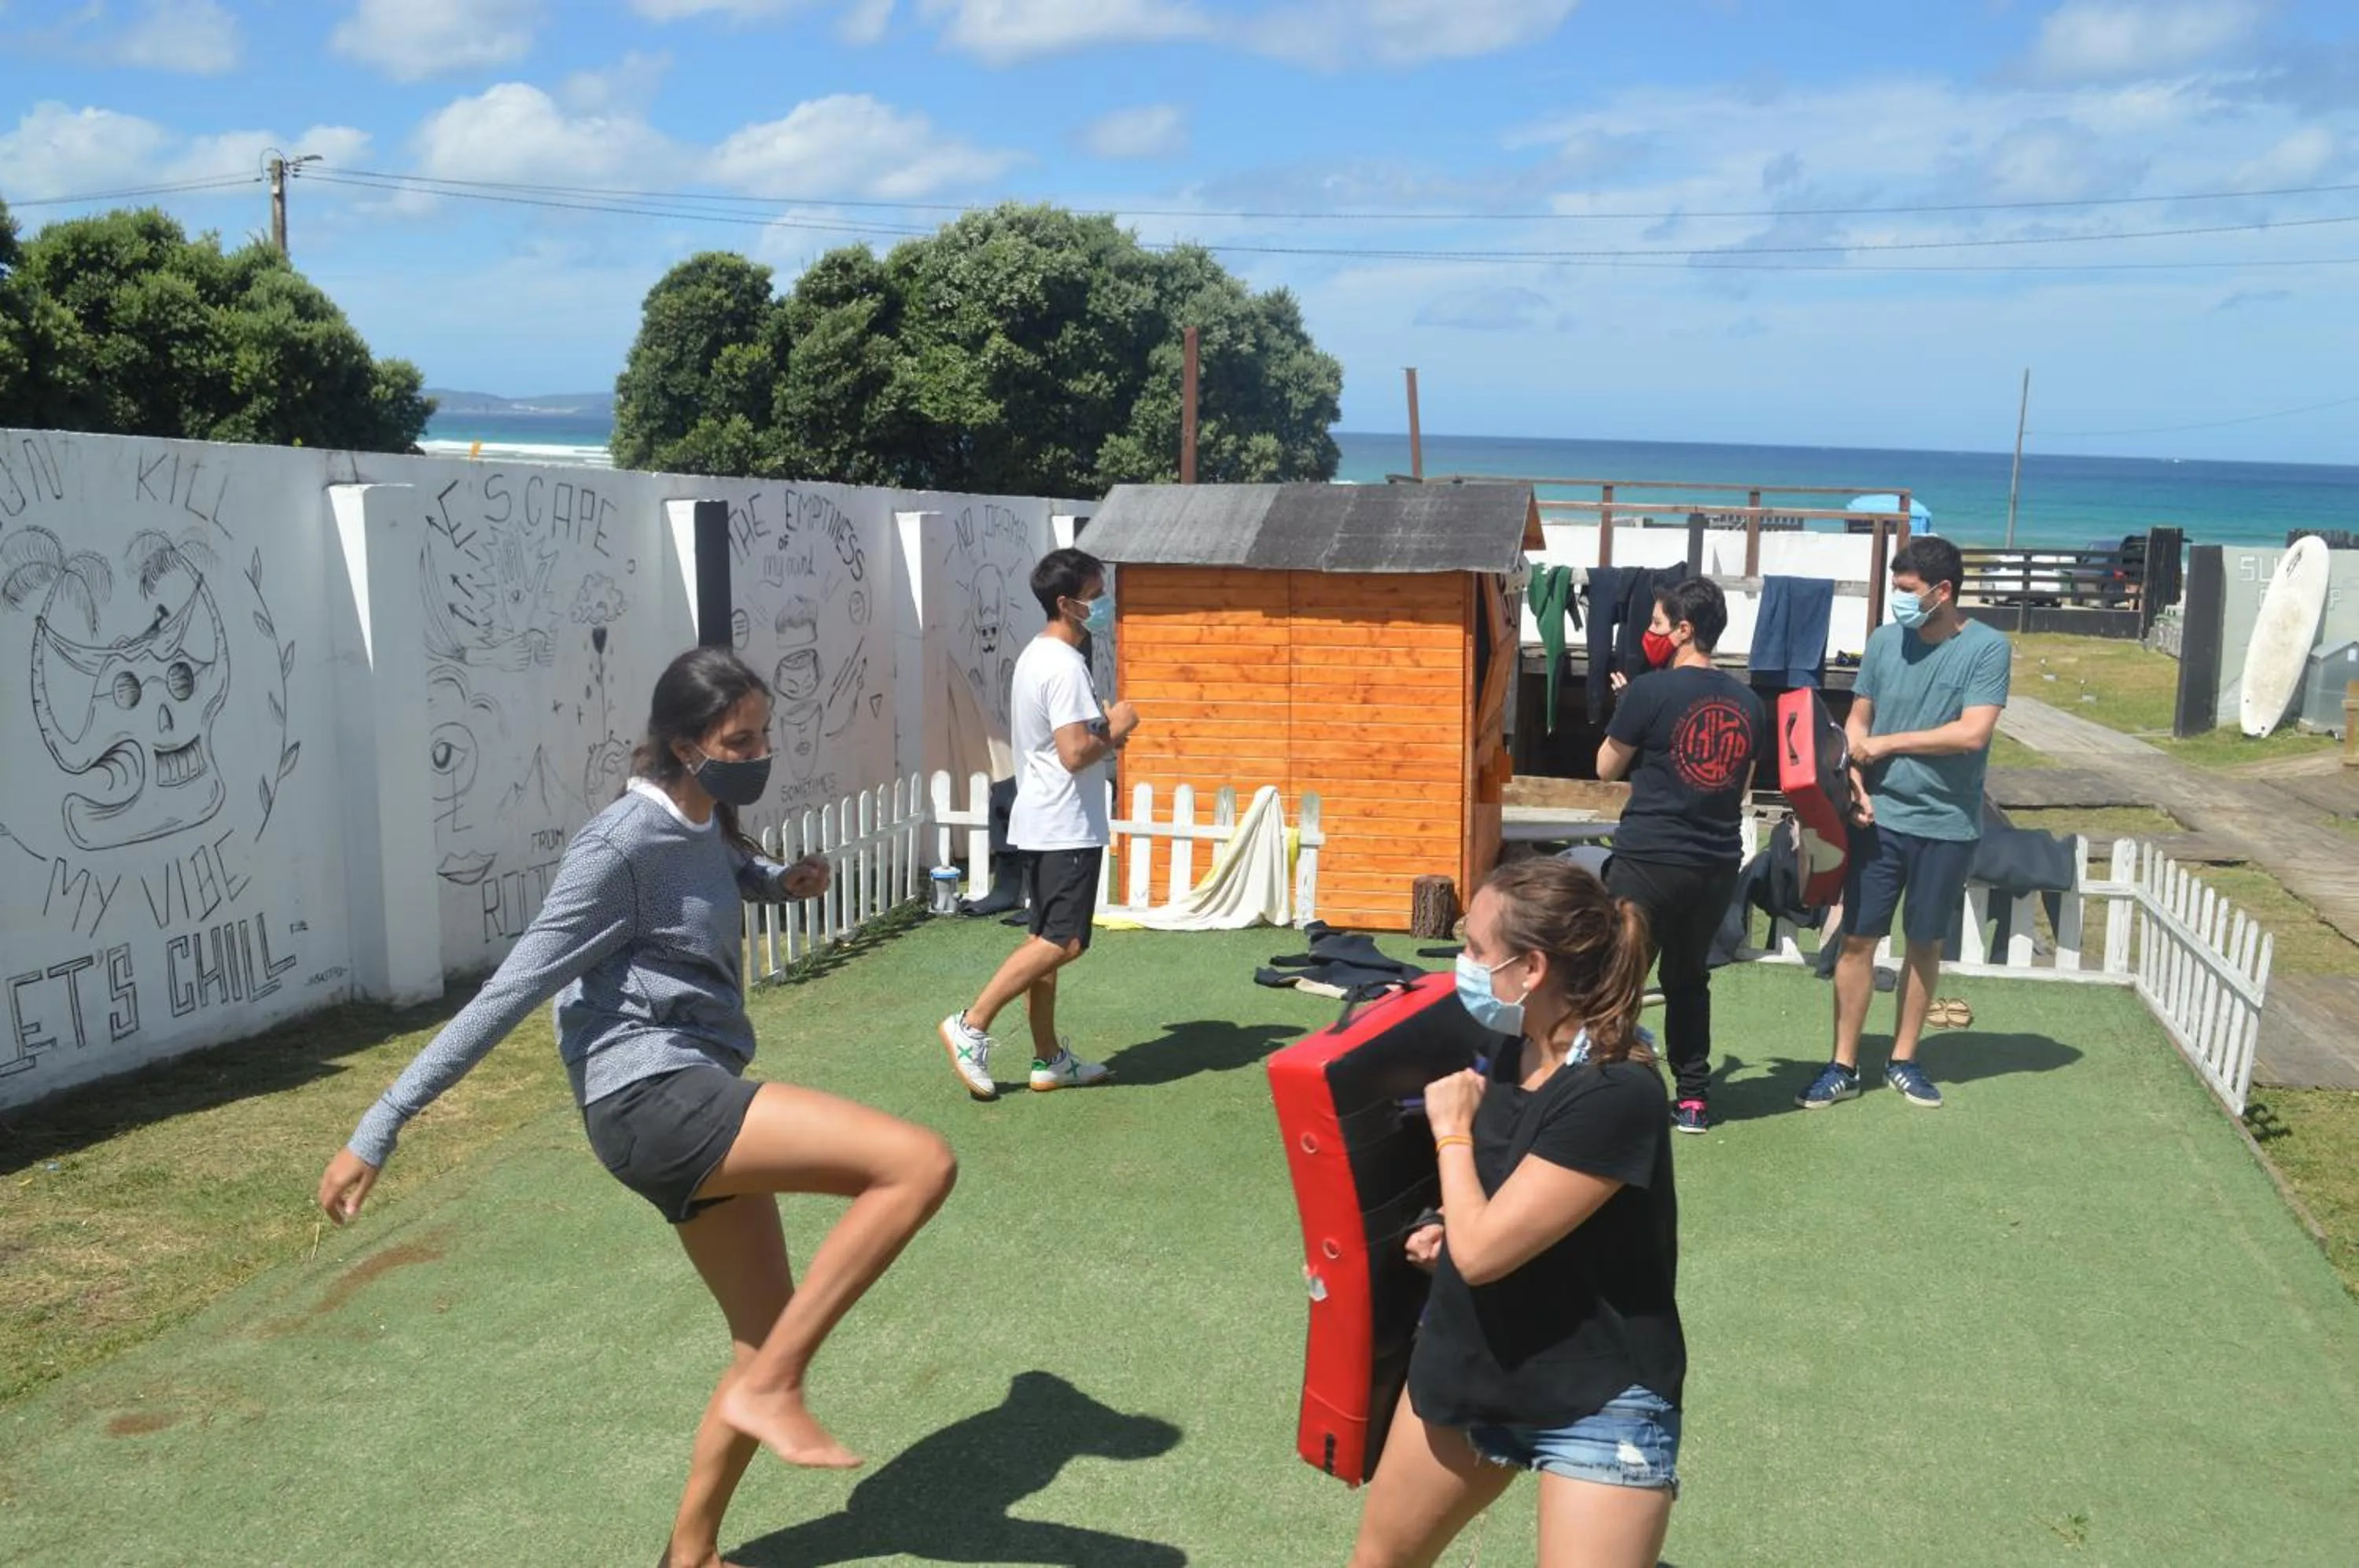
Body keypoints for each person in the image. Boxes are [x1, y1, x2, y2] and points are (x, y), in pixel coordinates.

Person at [316, 646, 959, 1568]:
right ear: (683, 741)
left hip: (684, 1087)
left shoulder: (702, 816)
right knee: (916, 1162)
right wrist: (381, 1121)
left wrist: (780, 883)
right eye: (739, 739)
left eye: (763, 733)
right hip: (652, 1095)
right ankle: (776, 1386)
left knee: (760, 1328)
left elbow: (710, 875)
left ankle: (687, 1555)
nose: (758, 751)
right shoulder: (617, 844)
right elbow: (510, 988)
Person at [1351, 859, 1684, 1568]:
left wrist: (1451, 1130)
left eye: (1473, 949)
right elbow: (1497, 1196)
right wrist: (1443, 1220)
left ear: (1530, 968)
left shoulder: (1615, 1091)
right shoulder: (1514, 1043)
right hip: (1475, 1363)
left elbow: (1484, 1253)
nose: (1462, 966)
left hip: (1597, 1393)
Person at [1795, 536, 2010, 1112]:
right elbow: (1858, 720)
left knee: (1924, 943)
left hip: (1947, 823)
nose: (1899, 601)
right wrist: (1854, 778)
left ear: (1943, 591)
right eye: (1896, 589)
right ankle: (1841, 1063)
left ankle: (1904, 1058)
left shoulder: (1988, 648)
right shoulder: (1885, 642)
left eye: (1908, 591)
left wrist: (1888, 743)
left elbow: (1973, 733)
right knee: (1858, 940)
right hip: (1877, 818)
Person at [938, 548, 1138, 1100]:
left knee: (1045, 939)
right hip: (1063, 824)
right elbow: (1075, 753)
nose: (1103, 606)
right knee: (1064, 942)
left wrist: (1101, 728)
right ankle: (971, 1025)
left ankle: (1049, 1059)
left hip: (1047, 819)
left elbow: (1064, 744)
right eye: (1096, 597)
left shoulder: (1039, 656)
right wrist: (1116, 727)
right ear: (1066, 603)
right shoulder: (1063, 664)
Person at [1595, 576, 1765, 1134]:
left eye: (1658, 625)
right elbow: (1740, 787)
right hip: (1715, 865)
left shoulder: (1648, 692)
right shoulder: (1748, 702)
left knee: (1621, 977)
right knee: (1688, 980)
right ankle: (1693, 1099)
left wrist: (1628, 709)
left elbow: (1605, 768)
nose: (1650, 634)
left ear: (1685, 630)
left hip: (1648, 858)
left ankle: (1609, 1091)